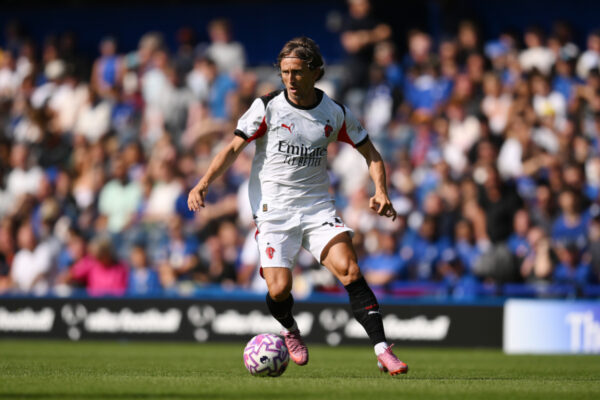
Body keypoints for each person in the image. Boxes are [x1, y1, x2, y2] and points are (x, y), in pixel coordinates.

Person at [188, 37, 407, 375]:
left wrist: (381, 190)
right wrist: (202, 184)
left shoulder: (334, 113)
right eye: (284, 72)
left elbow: (371, 152)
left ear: (316, 72)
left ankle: (382, 349)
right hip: (273, 211)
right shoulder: (267, 107)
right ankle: (289, 329)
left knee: (349, 269)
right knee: (279, 288)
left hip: (317, 208)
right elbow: (233, 149)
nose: (289, 79)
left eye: (297, 72)